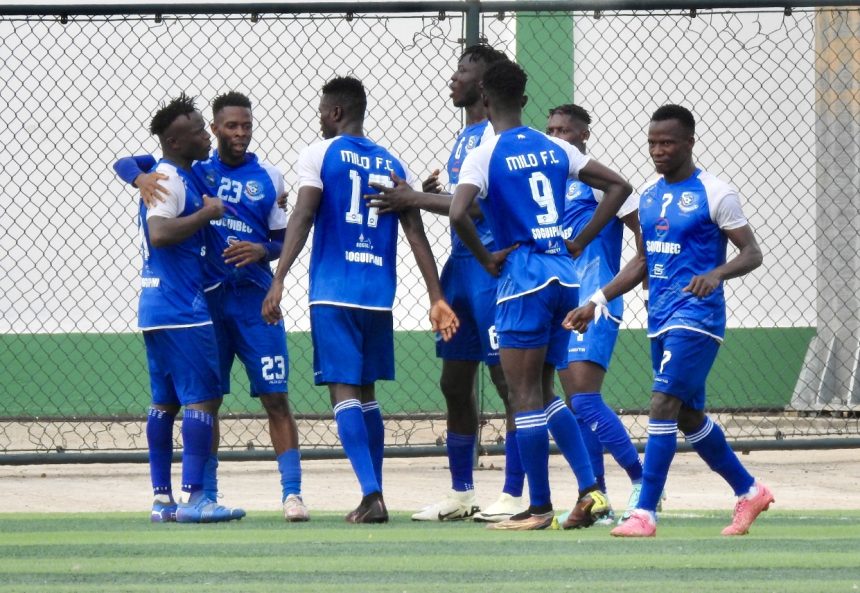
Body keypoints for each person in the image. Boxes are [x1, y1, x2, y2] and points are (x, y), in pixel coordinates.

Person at [564, 104, 773, 537]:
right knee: (688, 417)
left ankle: (644, 510)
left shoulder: (715, 192)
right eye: (653, 143)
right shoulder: (649, 196)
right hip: (659, 318)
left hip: (697, 318)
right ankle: (750, 490)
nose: (658, 151)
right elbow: (642, 260)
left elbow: (752, 253)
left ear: (689, 143)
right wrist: (596, 301)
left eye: (667, 143)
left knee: (661, 403)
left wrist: (716, 274)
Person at [261, 76, 458, 524]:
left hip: (333, 291)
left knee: (343, 390)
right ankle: (375, 493)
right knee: (367, 394)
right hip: (378, 293)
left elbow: (303, 214)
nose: (319, 118)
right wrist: (436, 296)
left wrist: (279, 278)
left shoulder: (319, 153)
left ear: (335, 112)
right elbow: (415, 232)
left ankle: (371, 495)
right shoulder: (392, 163)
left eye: (321, 111)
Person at [450, 60, 634, 530]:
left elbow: (457, 212)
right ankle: (591, 490)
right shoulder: (555, 147)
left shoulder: (485, 154)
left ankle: (538, 508)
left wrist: (487, 258)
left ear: (485, 100)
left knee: (523, 394)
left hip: (523, 278)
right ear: (526, 101)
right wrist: (579, 241)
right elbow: (619, 186)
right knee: (548, 392)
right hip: (565, 277)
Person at [113, 92, 307, 522]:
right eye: (230, 126)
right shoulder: (193, 170)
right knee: (206, 399)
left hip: (255, 300)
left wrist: (262, 249)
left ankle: (292, 494)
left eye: (246, 125)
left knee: (275, 396)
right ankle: (204, 494)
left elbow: (283, 240)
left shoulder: (270, 178)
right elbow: (127, 161)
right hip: (204, 303)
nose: (240, 133)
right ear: (215, 130)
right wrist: (137, 178)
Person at [365, 44, 526, 523]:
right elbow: (462, 201)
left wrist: (413, 198)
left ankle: (515, 494)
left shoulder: (495, 136)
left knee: (507, 382)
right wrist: (436, 195)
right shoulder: (465, 137)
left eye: (462, 71)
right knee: (454, 381)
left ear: (484, 84)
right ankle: (462, 494)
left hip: (493, 269)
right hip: (460, 269)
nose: (453, 78)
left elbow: (475, 208)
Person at [135, 93, 243, 523]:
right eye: (198, 131)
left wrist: (133, 174)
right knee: (203, 398)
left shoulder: (170, 173)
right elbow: (160, 233)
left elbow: (129, 162)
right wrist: (207, 213)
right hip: (182, 308)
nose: (206, 136)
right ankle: (195, 498)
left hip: (156, 307)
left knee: (164, 403)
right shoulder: (169, 180)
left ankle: (162, 501)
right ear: (176, 142)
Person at [546, 104, 649, 525]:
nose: (557, 137)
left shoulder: (598, 182)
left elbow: (640, 229)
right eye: (551, 130)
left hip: (596, 300)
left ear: (584, 136)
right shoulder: (546, 183)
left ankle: (644, 481)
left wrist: (642, 274)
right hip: (559, 300)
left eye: (565, 131)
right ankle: (597, 498)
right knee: (575, 407)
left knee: (586, 400)